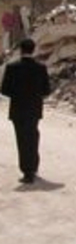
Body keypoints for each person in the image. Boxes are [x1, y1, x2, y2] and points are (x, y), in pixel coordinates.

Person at [1, 38, 51, 184]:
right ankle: (33, 167)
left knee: (22, 139)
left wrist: (18, 94)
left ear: (20, 50)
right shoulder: (41, 68)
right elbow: (46, 90)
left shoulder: (12, 67)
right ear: (33, 50)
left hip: (18, 109)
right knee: (33, 136)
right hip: (34, 109)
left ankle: (27, 171)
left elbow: (4, 90)